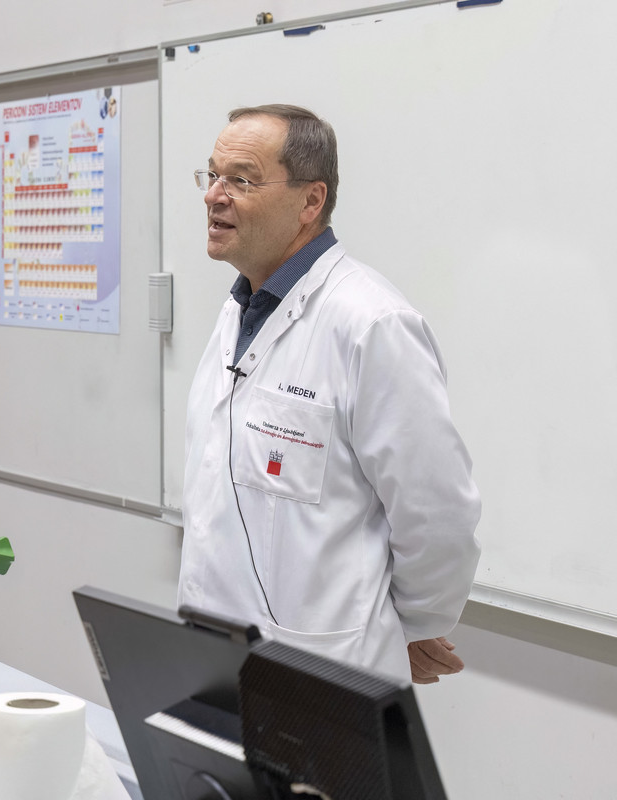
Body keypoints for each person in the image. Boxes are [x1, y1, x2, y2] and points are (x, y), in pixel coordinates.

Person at [177, 105, 481, 684]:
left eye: (241, 179)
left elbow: (437, 514)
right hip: (214, 655)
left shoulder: (372, 324)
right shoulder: (239, 312)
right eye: (212, 175)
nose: (214, 195)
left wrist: (411, 627)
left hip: (325, 673)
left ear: (310, 201)